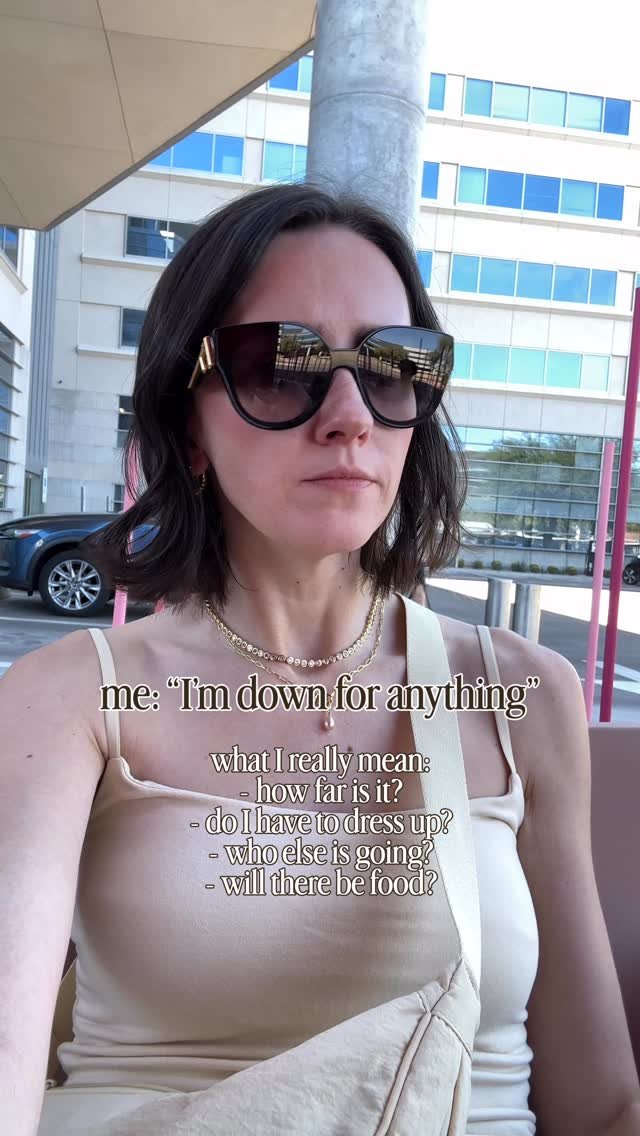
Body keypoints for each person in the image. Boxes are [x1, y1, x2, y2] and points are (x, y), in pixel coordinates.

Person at [2, 183, 639, 1136]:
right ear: (188, 426)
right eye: (279, 366)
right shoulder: (71, 699)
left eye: (393, 366)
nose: (349, 416)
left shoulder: (522, 696)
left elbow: (603, 1106)